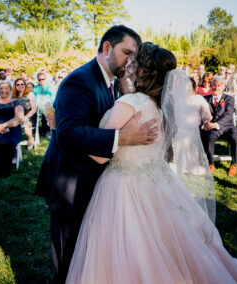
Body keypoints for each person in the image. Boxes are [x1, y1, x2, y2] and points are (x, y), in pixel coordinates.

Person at [66, 42, 237, 284]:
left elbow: (99, 154)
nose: (128, 65)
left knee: (127, 250)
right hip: (154, 185)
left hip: (124, 189)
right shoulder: (158, 105)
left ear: (142, 71)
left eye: (133, 62)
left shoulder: (131, 102)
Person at [34, 25, 153, 282]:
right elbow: (69, 135)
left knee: (84, 255)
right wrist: (122, 138)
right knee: (68, 258)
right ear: (107, 47)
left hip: (91, 181)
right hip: (71, 183)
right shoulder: (81, 80)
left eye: (134, 56)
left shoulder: (109, 80)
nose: (130, 60)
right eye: (126, 53)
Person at [201, 76, 237, 177]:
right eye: (214, 85)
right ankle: (211, 163)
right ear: (211, 86)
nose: (216, 87)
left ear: (223, 87)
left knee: (236, 136)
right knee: (209, 136)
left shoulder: (229, 99)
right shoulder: (205, 99)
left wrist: (215, 124)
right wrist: (205, 123)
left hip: (227, 126)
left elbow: (228, 115)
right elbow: (201, 114)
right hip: (213, 128)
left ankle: (234, 164)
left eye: (219, 85)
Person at [12, 78, 37, 149]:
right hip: (16, 115)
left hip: (29, 115)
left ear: (25, 85)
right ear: (15, 86)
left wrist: (25, 118)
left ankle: (30, 138)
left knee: (26, 127)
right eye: (18, 85)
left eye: (22, 84)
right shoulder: (13, 96)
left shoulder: (30, 94)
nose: (20, 86)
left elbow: (34, 109)